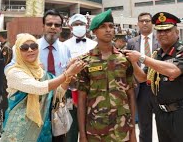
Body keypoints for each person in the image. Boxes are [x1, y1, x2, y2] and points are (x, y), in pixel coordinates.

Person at [125, 12, 183, 142]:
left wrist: (142, 58)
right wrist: (132, 62)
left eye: (167, 30)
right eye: (159, 31)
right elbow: (143, 77)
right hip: (162, 113)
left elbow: (173, 71)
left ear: (177, 32)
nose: (162, 34)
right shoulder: (157, 55)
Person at [0, 34, 85, 141]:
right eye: (24, 48)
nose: (30, 50)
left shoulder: (43, 74)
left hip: (42, 129)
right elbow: (38, 88)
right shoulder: (13, 72)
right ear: (18, 51)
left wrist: (68, 77)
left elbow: (58, 93)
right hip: (18, 130)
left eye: (34, 46)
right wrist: (67, 74)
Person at [76, 9, 136, 142]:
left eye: (111, 26)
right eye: (103, 27)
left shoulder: (124, 59)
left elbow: (131, 95)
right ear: (94, 32)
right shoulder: (86, 62)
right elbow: (81, 100)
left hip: (122, 129)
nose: (108, 30)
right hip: (95, 130)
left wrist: (133, 132)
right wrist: (83, 135)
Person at [38, 9, 71, 142]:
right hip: (37, 102)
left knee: (58, 137)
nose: (53, 27)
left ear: (61, 29)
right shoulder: (31, 47)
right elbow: (10, 67)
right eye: (49, 24)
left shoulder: (65, 49)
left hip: (58, 102)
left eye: (57, 25)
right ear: (43, 26)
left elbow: (69, 74)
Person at [126, 12, 159, 142]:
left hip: (159, 86)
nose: (144, 23)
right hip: (140, 89)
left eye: (147, 21)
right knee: (144, 125)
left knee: (164, 123)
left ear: (152, 23)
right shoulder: (131, 42)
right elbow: (128, 66)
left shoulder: (160, 39)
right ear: (138, 24)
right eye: (141, 21)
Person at [64, 14, 97, 142]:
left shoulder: (95, 45)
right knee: (71, 127)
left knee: (91, 126)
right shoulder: (64, 45)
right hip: (71, 91)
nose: (79, 27)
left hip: (91, 90)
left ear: (86, 26)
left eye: (81, 24)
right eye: (76, 24)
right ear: (70, 27)